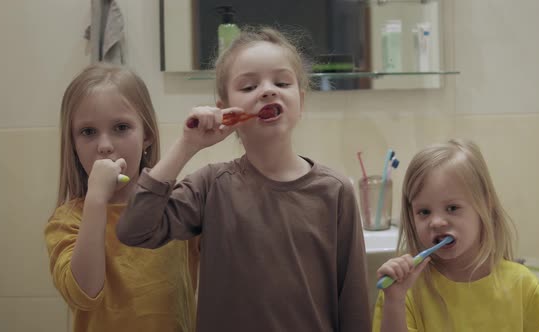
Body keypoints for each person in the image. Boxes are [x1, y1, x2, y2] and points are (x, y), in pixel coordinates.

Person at [116, 27, 371, 331]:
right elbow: (135, 230)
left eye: (281, 82)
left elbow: (353, 301)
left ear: (300, 101)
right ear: (226, 111)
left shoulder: (334, 191)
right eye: (249, 86)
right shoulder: (211, 186)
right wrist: (187, 145)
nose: (267, 90)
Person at [44, 63, 197, 332]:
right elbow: (85, 293)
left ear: (147, 135)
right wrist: (95, 201)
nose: (105, 145)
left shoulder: (177, 206)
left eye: (121, 127)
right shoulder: (67, 221)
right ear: (74, 144)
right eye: (88, 132)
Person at [372, 139, 539, 332]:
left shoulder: (523, 286)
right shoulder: (404, 291)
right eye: (424, 212)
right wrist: (394, 302)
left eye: (452, 208)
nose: (436, 222)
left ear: (485, 206)